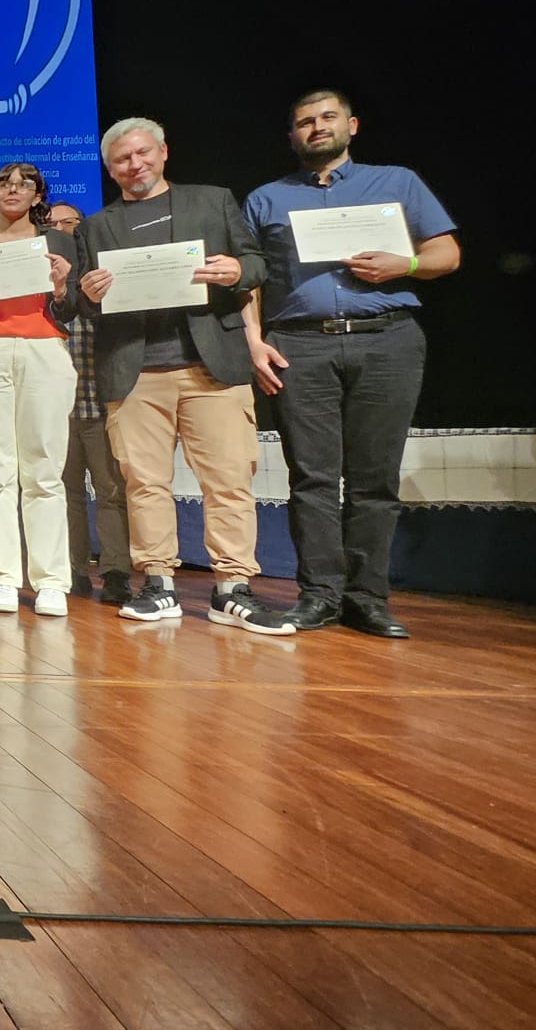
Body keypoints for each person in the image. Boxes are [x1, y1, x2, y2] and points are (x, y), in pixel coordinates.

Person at [241, 88, 460, 639]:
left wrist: (404, 262)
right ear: (291, 135)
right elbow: (251, 280)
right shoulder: (266, 198)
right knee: (311, 478)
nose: (317, 127)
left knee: (374, 479)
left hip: (386, 340)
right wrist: (252, 341)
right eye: (304, 122)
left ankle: (368, 598)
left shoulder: (396, 182)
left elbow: (447, 253)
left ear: (352, 125)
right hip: (300, 345)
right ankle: (318, 596)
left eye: (327, 118)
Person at [76, 118, 292, 634]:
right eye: (123, 159)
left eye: (143, 153)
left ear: (164, 152)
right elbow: (82, 308)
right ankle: (158, 585)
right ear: (110, 169)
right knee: (144, 483)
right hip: (134, 370)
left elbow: (258, 264)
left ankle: (232, 589)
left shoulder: (213, 201)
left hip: (212, 364)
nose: (135, 164)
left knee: (229, 481)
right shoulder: (95, 226)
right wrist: (88, 292)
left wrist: (239, 272)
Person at [0, 163, 81, 617]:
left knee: (44, 469)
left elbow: (74, 308)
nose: (13, 190)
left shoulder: (60, 242)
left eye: (25, 184)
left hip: (45, 351)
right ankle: (2, 578)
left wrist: (62, 286)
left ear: (38, 196)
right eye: (5, 183)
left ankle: (50, 583)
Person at [47, 201, 132, 605]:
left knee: (111, 490)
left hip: (101, 402)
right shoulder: (40, 283)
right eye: (52, 225)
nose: (61, 231)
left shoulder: (103, 277)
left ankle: (115, 570)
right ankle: (72, 568)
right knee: (64, 493)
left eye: (69, 224)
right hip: (55, 409)